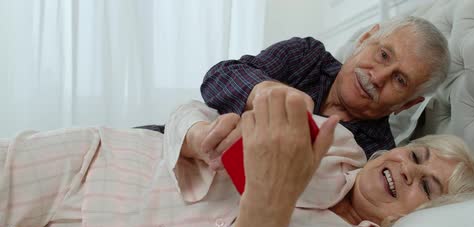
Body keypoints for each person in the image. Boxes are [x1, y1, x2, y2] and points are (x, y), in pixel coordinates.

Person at [0, 96, 474, 227]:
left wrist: (273, 195)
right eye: (416, 156)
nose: (405, 167)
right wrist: (197, 135)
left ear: (430, 215)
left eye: (427, 185)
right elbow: (195, 110)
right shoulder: (337, 143)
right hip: (97, 166)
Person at [140, 16, 450, 158]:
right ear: (365, 39)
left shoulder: (376, 154)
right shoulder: (307, 55)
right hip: (167, 145)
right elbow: (217, 78)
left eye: (399, 80)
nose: (378, 76)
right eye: (383, 55)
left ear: (407, 104)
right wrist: (266, 93)